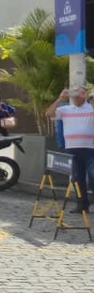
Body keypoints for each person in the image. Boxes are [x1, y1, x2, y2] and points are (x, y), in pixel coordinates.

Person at [48, 85, 94, 213]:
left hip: (90, 148)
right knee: (77, 178)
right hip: (72, 149)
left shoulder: (91, 107)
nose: (75, 96)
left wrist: (89, 97)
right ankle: (82, 205)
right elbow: (49, 113)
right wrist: (59, 99)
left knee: (93, 176)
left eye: (78, 92)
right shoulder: (65, 109)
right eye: (73, 92)